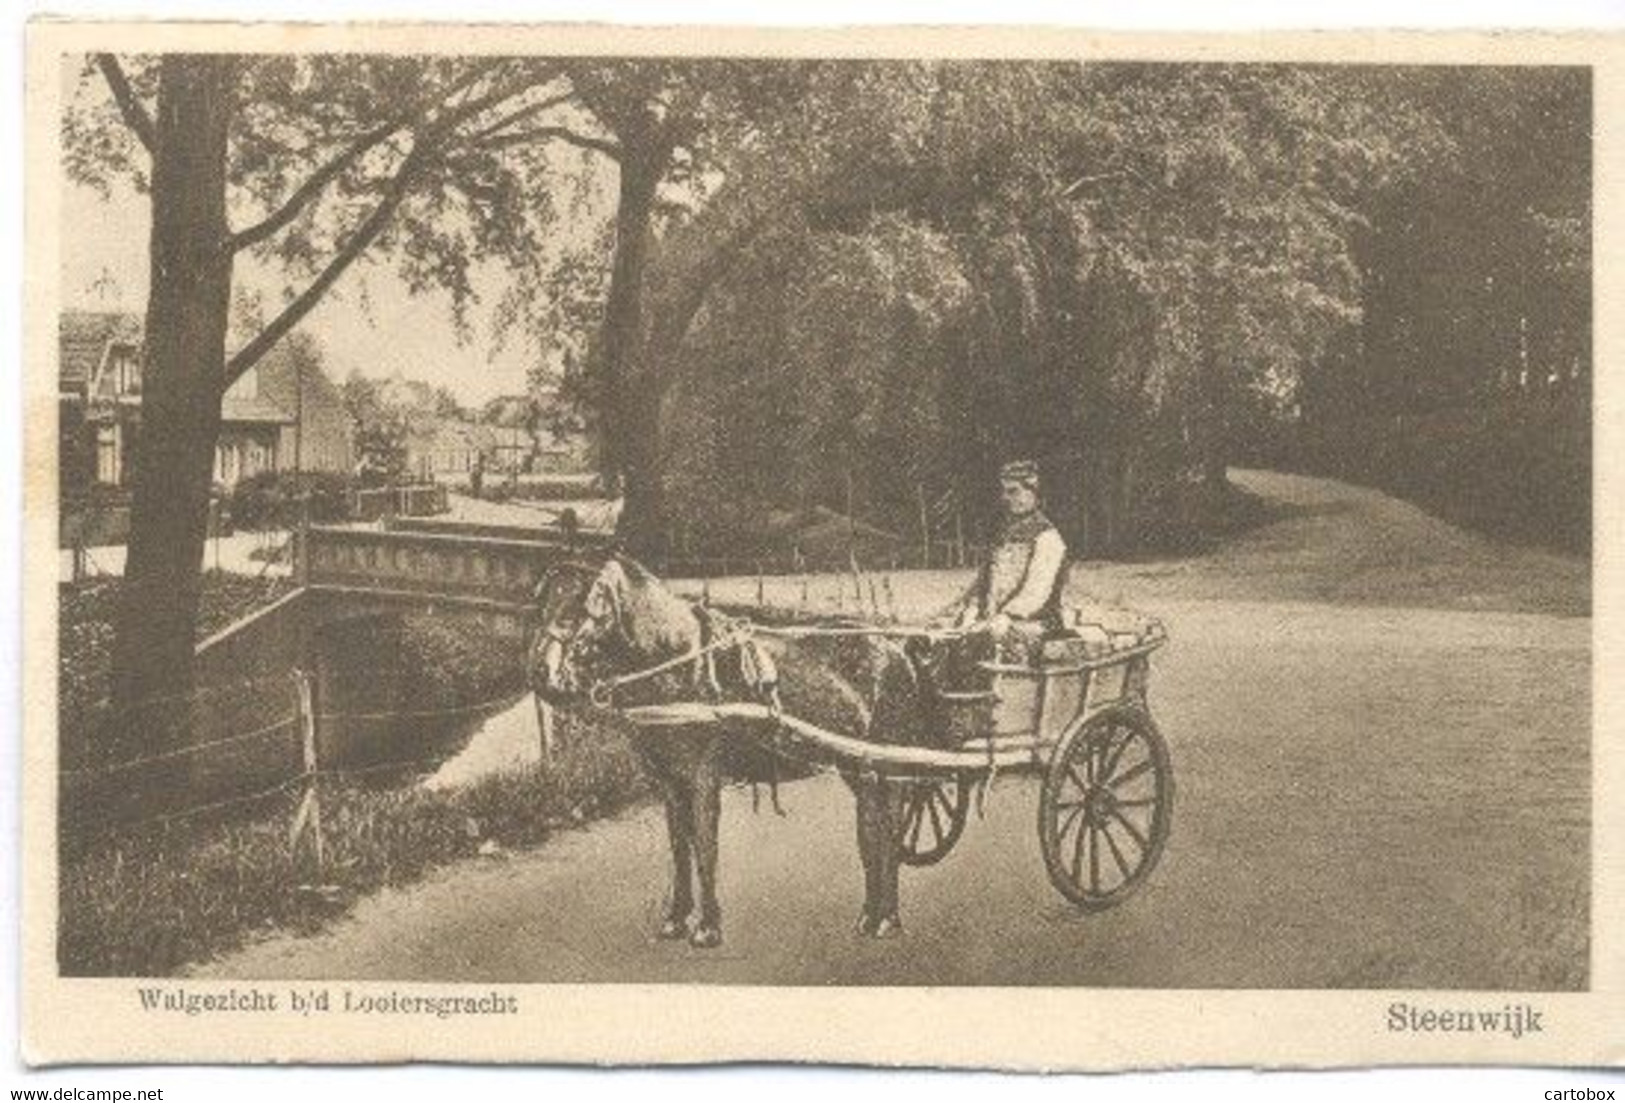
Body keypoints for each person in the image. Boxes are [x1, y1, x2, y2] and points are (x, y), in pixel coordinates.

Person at [934, 459, 1068, 661]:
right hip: (995, 622)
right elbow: (983, 585)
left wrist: (1006, 616)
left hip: (1036, 625)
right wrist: (964, 612)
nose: (1006, 498)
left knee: (985, 641)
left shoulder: (1048, 539)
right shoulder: (1002, 537)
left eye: (1013, 491)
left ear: (1033, 492)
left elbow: (1036, 593)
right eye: (1005, 492)